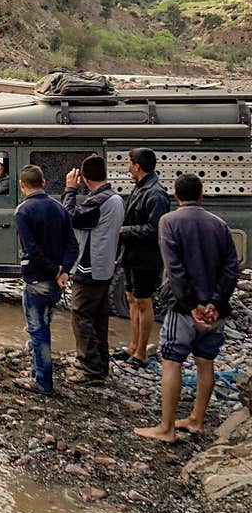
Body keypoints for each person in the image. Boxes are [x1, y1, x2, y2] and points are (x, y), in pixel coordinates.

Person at [135, 174, 239, 443]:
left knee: (172, 362)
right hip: (214, 311)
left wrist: (192, 305)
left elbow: (175, 269)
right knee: (206, 363)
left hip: (183, 308)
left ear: (175, 196)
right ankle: (196, 420)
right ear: (202, 195)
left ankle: (166, 427)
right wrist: (215, 303)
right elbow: (231, 269)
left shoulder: (169, 222)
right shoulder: (220, 225)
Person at [13, 164, 79, 395]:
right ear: (43, 183)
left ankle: (42, 381)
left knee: (38, 331)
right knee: (44, 326)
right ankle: (36, 372)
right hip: (56, 281)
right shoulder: (59, 208)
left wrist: (54, 270)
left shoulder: (23, 211)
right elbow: (73, 245)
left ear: (22, 186)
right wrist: (64, 271)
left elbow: (31, 248)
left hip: (37, 280)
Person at [62, 154, 124, 385]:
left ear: (85, 179)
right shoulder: (113, 197)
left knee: (82, 316)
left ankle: (90, 370)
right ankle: (100, 367)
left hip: (90, 267)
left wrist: (69, 190)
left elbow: (69, 217)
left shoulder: (99, 201)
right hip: (104, 265)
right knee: (99, 318)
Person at [113, 147, 170, 370]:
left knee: (143, 302)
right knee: (132, 300)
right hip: (132, 254)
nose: (127, 166)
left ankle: (142, 353)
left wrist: (124, 231)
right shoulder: (140, 187)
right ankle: (133, 345)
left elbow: (156, 228)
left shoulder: (155, 193)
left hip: (145, 257)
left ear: (137, 165)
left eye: (129, 162)